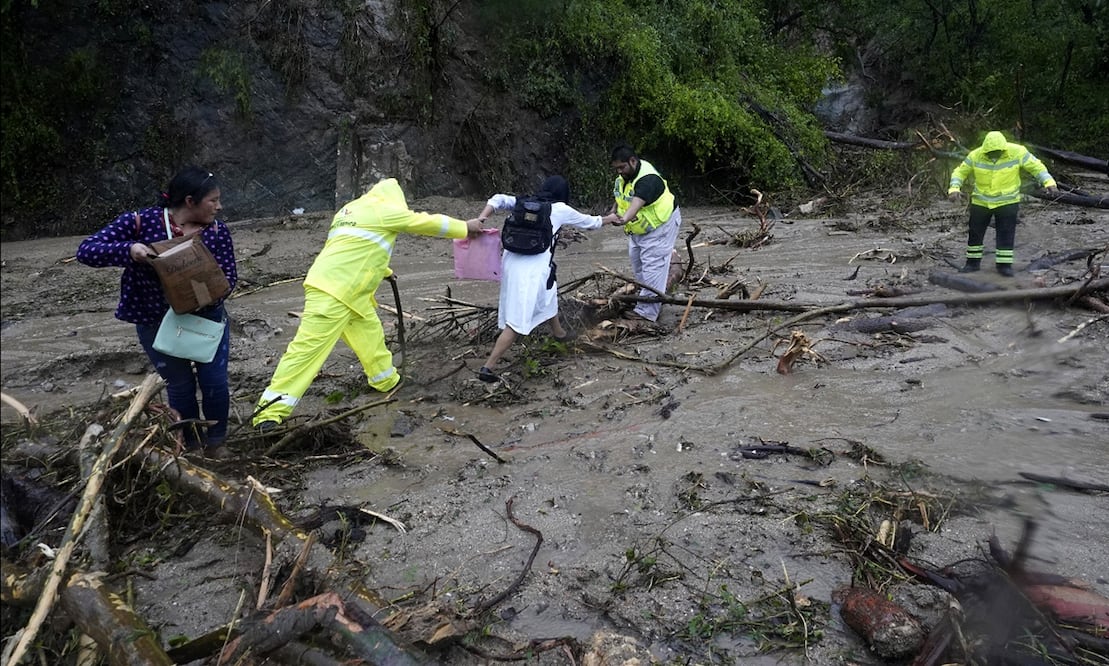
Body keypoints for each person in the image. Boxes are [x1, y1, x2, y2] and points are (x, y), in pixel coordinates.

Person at [253, 178, 484, 429]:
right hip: (335, 293)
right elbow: (422, 222)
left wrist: (384, 270)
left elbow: (356, 248)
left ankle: (385, 381)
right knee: (306, 352)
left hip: (347, 291)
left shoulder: (349, 211)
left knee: (370, 336)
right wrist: (464, 227)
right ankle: (268, 413)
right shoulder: (383, 211)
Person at [77, 166, 237, 458]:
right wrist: (130, 250)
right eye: (213, 200)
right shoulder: (140, 223)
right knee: (180, 385)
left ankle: (216, 442)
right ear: (190, 201)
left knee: (214, 381)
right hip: (155, 319)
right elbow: (86, 250)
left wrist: (208, 295)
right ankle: (190, 445)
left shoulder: (217, 231)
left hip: (206, 318)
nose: (219, 206)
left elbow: (230, 278)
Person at [475, 175, 618, 382]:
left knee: (549, 293)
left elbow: (497, 199)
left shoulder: (523, 202)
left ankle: (558, 333)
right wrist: (610, 219)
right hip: (532, 270)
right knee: (517, 321)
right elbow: (591, 223)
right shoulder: (559, 209)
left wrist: (481, 218)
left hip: (510, 263)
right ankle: (488, 368)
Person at [948, 131, 1058, 277]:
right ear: (985, 149)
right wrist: (954, 188)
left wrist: (1049, 182)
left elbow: (1036, 167)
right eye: (990, 153)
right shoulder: (976, 155)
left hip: (1007, 201)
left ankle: (1004, 266)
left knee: (1006, 233)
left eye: (997, 153)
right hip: (981, 201)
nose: (993, 155)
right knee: (975, 233)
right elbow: (959, 172)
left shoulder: (1018, 152)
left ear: (1004, 149)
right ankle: (972, 264)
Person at [607, 144, 682, 321]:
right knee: (638, 264)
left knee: (652, 267)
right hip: (639, 230)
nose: (619, 172)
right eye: (616, 168)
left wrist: (622, 220)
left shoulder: (647, 179)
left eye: (622, 167)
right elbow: (621, 197)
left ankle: (647, 314)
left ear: (632, 161)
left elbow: (635, 205)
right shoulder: (625, 175)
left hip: (660, 227)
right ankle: (647, 299)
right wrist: (612, 211)